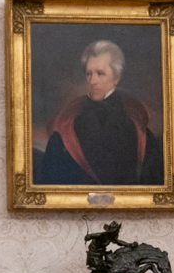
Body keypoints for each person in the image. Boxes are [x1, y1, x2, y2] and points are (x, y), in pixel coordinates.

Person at [37, 40, 164, 186]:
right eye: (89, 74)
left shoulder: (139, 131)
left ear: (116, 78)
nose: (93, 81)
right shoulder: (65, 131)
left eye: (100, 73)